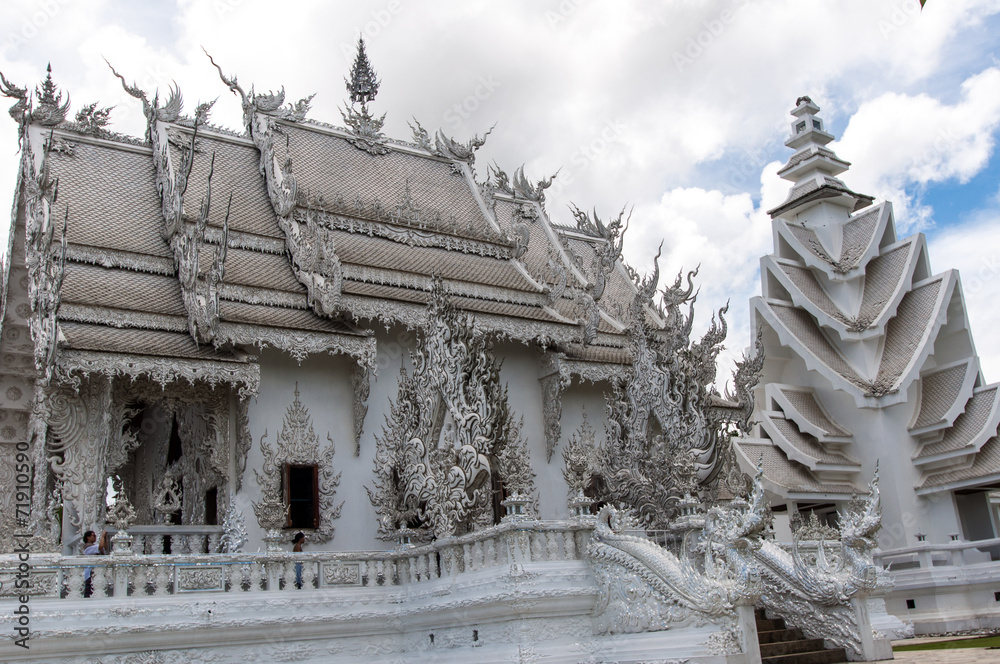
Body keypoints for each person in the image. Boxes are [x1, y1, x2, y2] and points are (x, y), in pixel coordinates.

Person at [82, 530, 99, 598]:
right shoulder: (88, 547)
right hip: (89, 572)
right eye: (93, 536)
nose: (95, 537)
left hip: (94, 572)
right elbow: (100, 547)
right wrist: (103, 537)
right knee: (89, 591)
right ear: (88, 537)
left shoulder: (93, 546)